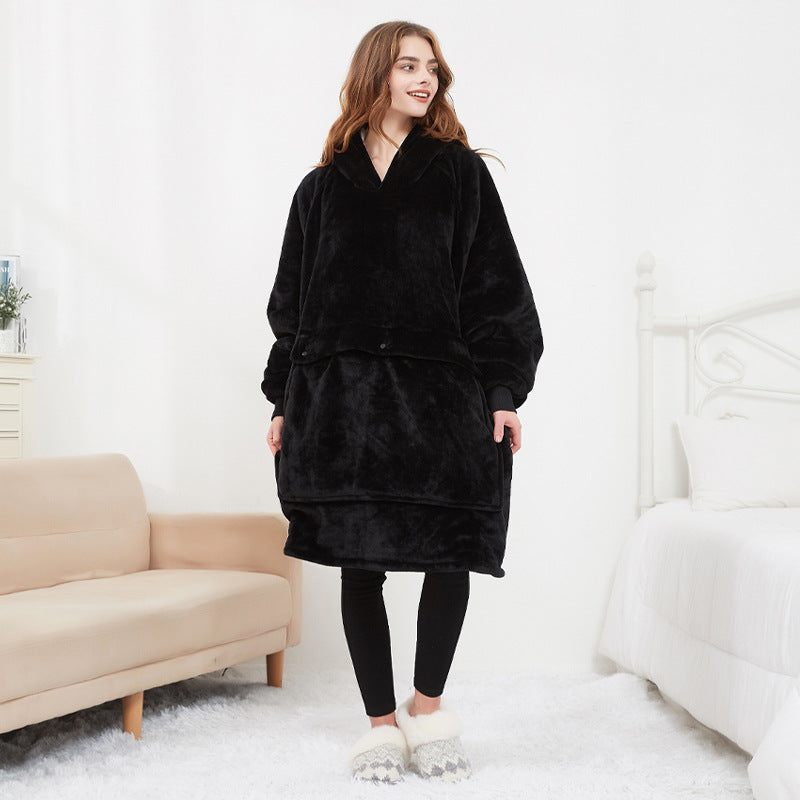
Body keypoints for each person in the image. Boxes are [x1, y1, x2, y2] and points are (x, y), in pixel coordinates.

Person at [261, 20, 543, 784]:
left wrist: (503, 390)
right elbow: (293, 308)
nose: (426, 79)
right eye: (410, 65)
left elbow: (497, 293)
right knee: (360, 561)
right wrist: (283, 399)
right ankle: (381, 726)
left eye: (433, 68)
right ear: (376, 73)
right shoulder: (322, 189)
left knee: (451, 549)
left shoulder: (460, 175)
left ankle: (428, 708)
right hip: (343, 404)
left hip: (441, 401)